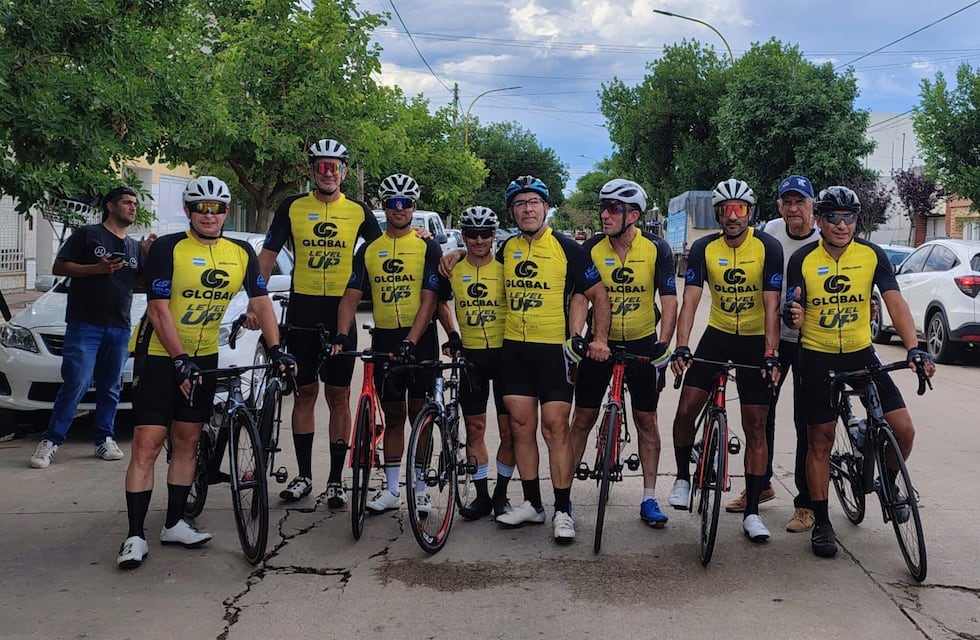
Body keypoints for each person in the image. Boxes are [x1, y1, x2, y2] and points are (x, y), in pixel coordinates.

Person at [117, 176, 293, 570]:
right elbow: (158, 310)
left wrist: (276, 348)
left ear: (226, 212)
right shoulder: (168, 248)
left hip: (205, 355)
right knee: (147, 442)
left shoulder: (240, 252)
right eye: (201, 208)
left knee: (187, 439)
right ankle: (134, 535)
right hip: (160, 355)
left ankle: (174, 523)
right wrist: (179, 358)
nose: (208, 215)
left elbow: (261, 301)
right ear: (188, 211)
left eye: (216, 209)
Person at [442, 175, 611, 545]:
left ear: (545, 208)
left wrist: (598, 338)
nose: (527, 209)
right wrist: (456, 254)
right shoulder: (506, 248)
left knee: (555, 428)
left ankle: (563, 509)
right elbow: (480, 258)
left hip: (553, 352)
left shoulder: (567, 248)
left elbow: (598, 294)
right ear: (512, 212)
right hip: (514, 352)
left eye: (533, 202)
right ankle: (533, 504)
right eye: (520, 204)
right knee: (520, 428)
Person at [783, 186, 935, 558]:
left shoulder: (871, 255)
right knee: (820, 440)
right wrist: (792, 315)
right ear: (819, 220)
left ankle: (889, 481)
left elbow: (894, 301)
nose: (842, 225)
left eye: (849, 217)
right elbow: (792, 307)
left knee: (903, 429)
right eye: (834, 217)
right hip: (817, 356)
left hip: (860, 353)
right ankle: (822, 521)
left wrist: (914, 347)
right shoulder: (803, 258)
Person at [258, 139, 381, 507]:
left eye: (335, 166)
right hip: (303, 312)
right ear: (311, 170)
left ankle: (336, 481)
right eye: (322, 166)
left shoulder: (358, 211)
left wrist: (422, 241)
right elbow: (268, 256)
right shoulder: (292, 207)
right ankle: (304, 476)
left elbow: (385, 249)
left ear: (344, 171)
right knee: (305, 394)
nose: (329, 173)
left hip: (340, 313)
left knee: (339, 397)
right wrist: (253, 302)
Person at [668, 178, 783, 543]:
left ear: (750, 213)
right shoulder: (703, 248)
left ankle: (752, 512)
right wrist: (682, 346)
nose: (733, 216)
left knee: (756, 424)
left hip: (753, 339)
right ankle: (682, 478)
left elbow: (771, 304)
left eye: (740, 209)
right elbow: (690, 300)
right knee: (686, 408)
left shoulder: (768, 247)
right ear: (717, 214)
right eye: (726, 210)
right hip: (717, 335)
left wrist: (771, 353)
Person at [568, 179, 677, 527]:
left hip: (643, 342)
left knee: (647, 420)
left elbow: (669, 300)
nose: (605, 215)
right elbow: (580, 297)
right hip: (600, 343)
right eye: (603, 207)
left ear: (633, 215)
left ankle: (649, 497)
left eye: (613, 209)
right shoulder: (592, 248)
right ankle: (563, 498)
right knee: (582, 419)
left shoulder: (657, 248)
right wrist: (576, 337)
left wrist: (665, 343)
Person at [332, 174, 442, 514]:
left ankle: (420, 489)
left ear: (414, 206)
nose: (399, 208)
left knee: (420, 416)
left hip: (420, 341)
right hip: (385, 339)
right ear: (383, 206)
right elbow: (351, 295)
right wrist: (341, 334)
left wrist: (411, 340)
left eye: (405, 203)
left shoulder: (427, 246)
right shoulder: (369, 250)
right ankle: (393, 489)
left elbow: (430, 299)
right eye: (393, 203)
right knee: (393, 416)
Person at [30, 187, 155, 469]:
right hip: (85, 324)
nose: (133, 208)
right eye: (127, 203)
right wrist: (95, 269)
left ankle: (104, 438)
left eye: (135, 204)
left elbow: (140, 283)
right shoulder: (88, 235)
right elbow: (59, 267)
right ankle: (51, 440)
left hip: (119, 326)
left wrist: (148, 257)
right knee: (77, 381)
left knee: (111, 386)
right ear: (110, 206)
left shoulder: (133, 246)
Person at [725, 175, 819, 533]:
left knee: (806, 419)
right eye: (787, 202)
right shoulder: (771, 231)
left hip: (810, 339)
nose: (793, 208)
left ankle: (806, 502)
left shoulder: (823, 236)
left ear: (812, 205)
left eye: (800, 201)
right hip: (772, 337)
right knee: (761, 413)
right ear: (779, 205)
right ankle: (760, 484)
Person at [435, 206, 516, 520]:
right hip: (471, 358)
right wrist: (453, 334)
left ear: (494, 236)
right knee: (475, 429)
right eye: (472, 234)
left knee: (510, 431)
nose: (479, 240)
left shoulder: (507, 268)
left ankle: (501, 494)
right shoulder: (452, 269)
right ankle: (482, 496)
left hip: (505, 355)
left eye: (485, 234)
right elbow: (441, 302)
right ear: (464, 236)